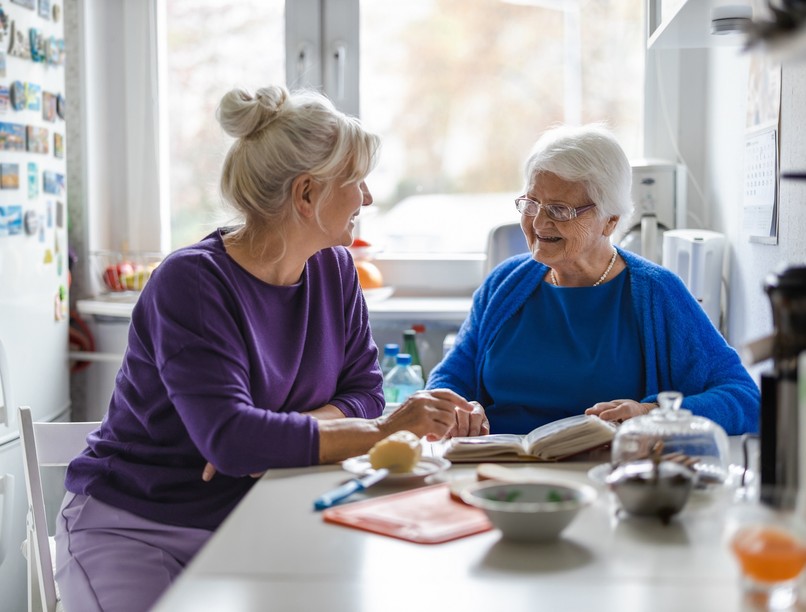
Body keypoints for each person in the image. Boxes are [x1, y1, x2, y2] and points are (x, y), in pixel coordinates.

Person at [55, 85, 475, 612]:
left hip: (254, 516)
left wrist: (273, 436)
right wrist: (383, 432)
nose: (367, 199)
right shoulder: (191, 282)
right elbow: (232, 441)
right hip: (138, 526)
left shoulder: (335, 269)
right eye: (357, 181)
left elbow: (364, 389)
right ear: (306, 195)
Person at [428, 123, 760, 437]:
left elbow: (745, 399)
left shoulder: (657, 293)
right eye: (531, 204)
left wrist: (653, 415)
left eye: (559, 209)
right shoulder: (505, 283)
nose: (539, 222)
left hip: (606, 480)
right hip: (498, 472)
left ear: (609, 221)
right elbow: (449, 378)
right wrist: (459, 408)